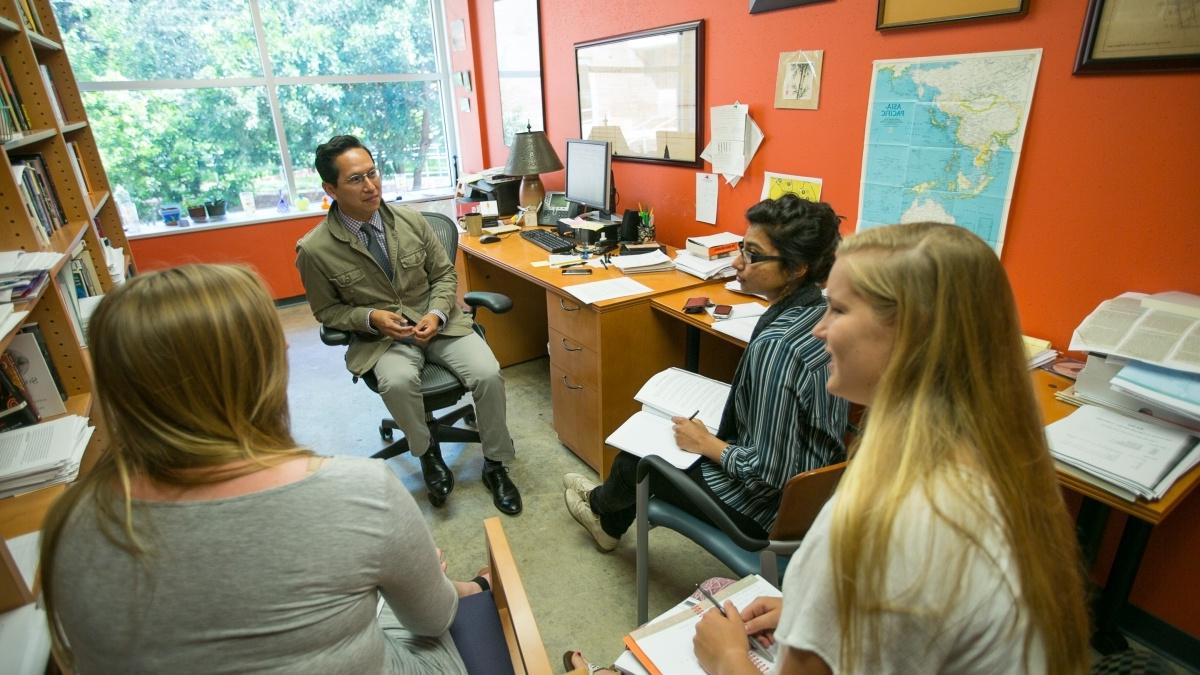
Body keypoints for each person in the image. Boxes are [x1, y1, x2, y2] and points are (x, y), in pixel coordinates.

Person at [39, 264, 491, 673]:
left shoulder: (72, 523)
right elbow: (434, 620)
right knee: (420, 596)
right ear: (262, 371)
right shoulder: (358, 493)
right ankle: (476, 588)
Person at [692, 223, 1090, 674]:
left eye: (838, 310)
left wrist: (726, 659)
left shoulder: (872, 523)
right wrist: (821, 615)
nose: (820, 329)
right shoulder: (1005, 469)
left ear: (912, 337)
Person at [564, 195, 849, 551]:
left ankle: (602, 516)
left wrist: (708, 444)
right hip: (814, 494)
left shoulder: (778, 346)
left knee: (635, 459)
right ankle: (602, 503)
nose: (737, 262)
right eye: (742, 248)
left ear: (796, 269)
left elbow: (768, 474)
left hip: (764, 510)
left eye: (753, 255)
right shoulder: (821, 311)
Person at [295, 134, 521, 515]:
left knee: (487, 373)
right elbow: (327, 312)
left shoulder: (412, 221)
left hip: (440, 324)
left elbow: (445, 277)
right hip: (383, 340)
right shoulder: (315, 250)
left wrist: (435, 313)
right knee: (397, 382)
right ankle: (427, 453)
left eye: (373, 173)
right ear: (330, 188)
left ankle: (496, 464)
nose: (371, 186)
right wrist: (370, 318)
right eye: (356, 180)